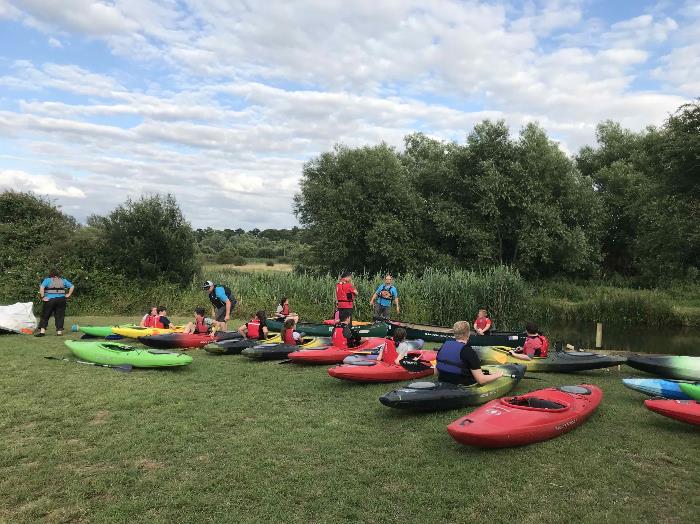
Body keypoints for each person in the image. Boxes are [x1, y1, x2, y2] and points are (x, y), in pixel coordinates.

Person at [435, 321, 503, 385]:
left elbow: (437, 372)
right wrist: (498, 374)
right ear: (468, 333)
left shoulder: (444, 346)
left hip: (442, 382)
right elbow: (481, 380)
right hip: (461, 387)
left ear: (454, 333)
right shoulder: (469, 351)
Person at [35, 269, 74, 337]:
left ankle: (42, 332)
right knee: (60, 315)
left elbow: (42, 287)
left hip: (50, 300)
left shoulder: (48, 280)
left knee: (45, 315)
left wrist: (43, 297)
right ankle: (59, 332)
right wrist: (69, 294)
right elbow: (72, 286)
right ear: (58, 274)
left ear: (51, 274)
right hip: (61, 300)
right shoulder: (63, 280)